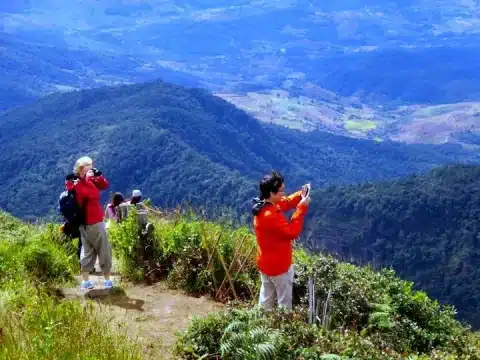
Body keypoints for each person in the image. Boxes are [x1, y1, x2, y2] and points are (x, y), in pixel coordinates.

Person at [251, 171, 311, 311]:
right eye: (281, 190)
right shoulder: (269, 215)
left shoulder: (266, 205)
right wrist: (302, 208)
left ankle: (261, 326)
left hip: (266, 264)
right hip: (279, 267)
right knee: (284, 303)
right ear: (272, 193)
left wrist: (300, 195)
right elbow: (291, 232)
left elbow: (286, 202)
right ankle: (283, 327)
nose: (284, 193)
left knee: (265, 301)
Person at [73, 156, 113, 291]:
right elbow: (93, 194)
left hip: (83, 224)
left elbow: (104, 185)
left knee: (87, 250)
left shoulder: (78, 182)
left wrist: (98, 176)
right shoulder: (80, 184)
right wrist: (90, 180)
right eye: (88, 165)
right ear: (81, 168)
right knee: (104, 249)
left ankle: (85, 282)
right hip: (94, 221)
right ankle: (107, 280)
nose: (91, 167)